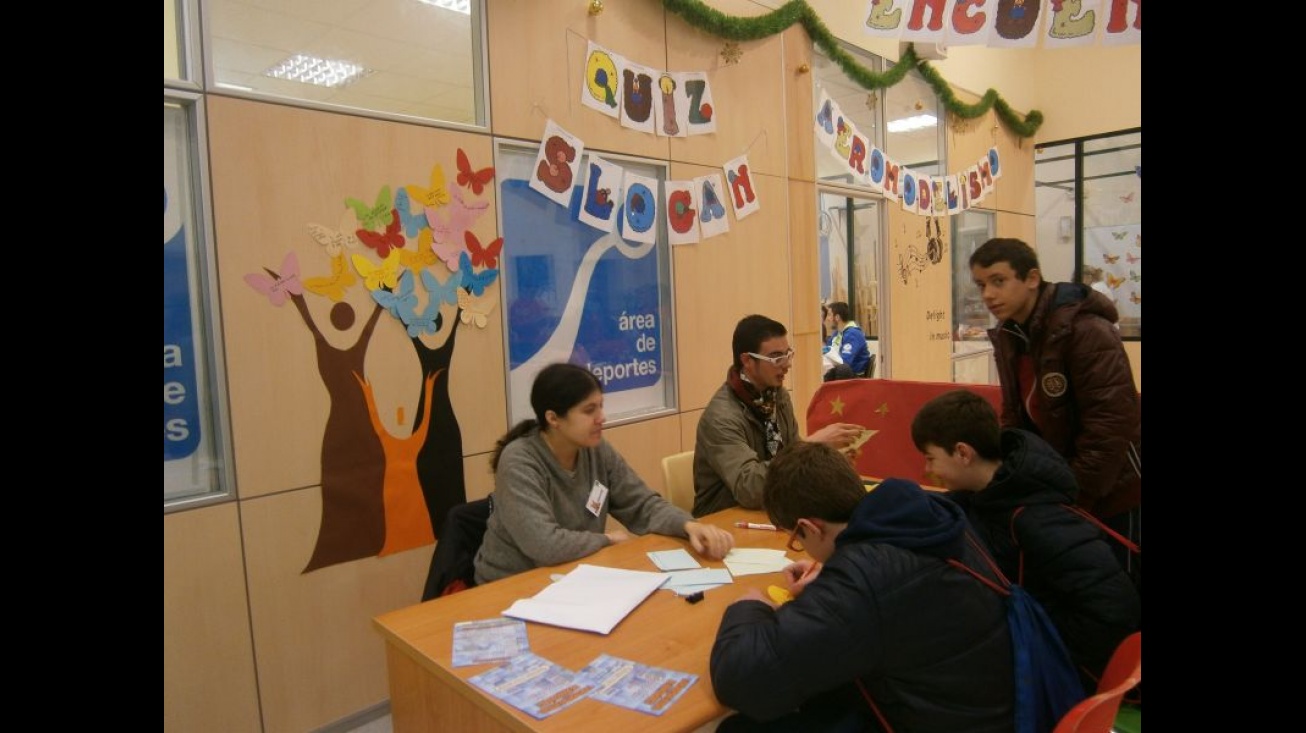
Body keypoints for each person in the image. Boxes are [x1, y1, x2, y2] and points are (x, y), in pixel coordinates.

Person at [709, 442, 1014, 732]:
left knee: (739, 727)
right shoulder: (926, 517)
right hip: (986, 705)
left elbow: (741, 681)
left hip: (933, 721)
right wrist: (834, 574)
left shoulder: (863, 581)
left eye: (797, 540)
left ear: (809, 527)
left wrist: (748, 607)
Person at [910, 389, 1140, 691]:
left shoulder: (1039, 519)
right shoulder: (980, 498)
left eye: (930, 459)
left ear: (963, 453)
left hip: (1057, 673)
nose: (927, 470)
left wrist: (1040, 646)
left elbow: (1114, 608)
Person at [969, 238, 1141, 577]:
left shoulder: (1086, 330)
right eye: (981, 284)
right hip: (1064, 483)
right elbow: (1016, 414)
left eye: (998, 281)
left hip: (1115, 486)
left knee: (1122, 586)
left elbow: (1110, 424)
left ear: (1032, 278)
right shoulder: (1009, 333)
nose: (988, 294)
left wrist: (1074, 493)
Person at [473, 363, 734, 584]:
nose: (602, 417)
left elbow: (642, 504)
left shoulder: (595, 450)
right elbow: (544, 545)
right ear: (553, 418)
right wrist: (607, 539)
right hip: (512, 585)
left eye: (600, 406)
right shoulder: (519, 461)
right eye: (589, 411)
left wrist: (688, 525)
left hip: (574, 577)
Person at [693, 315, 863, 517]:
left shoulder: (776, 395)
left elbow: (792, 460)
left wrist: (830, 460)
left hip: (773, 508)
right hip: (724, 519)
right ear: (747, 360)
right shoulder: (721, 417)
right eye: (776, 358)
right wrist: (813, 445)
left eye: (788, 354)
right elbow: (749, 489)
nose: (786, 365)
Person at [823, 301, 871, 377]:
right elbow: (827, 350)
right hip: (840, 372)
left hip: (853, 376)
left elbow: (845, 362)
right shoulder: (837, 333)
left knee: (842, 369)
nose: (827, 319)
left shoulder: (853, 334)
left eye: (829, 315)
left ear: (837, 317)